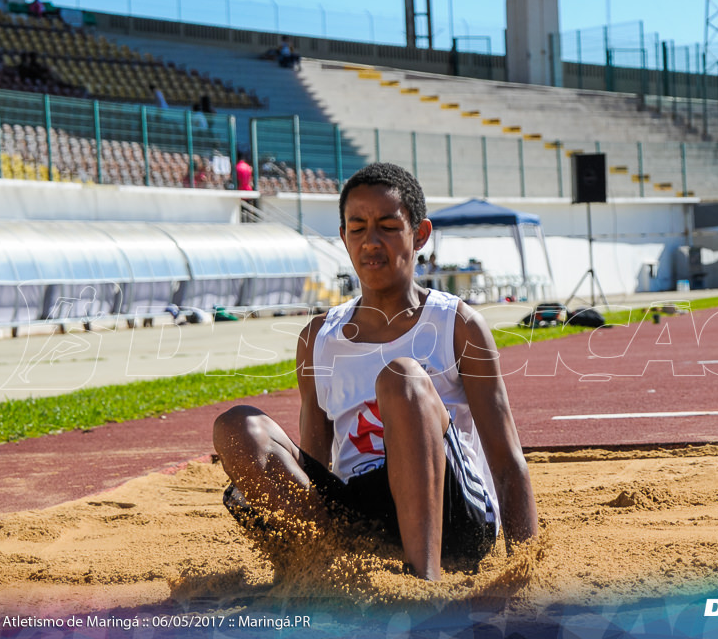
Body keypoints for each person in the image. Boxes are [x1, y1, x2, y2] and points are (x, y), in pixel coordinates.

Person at [212, 162, 538, 580]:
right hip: (362, 517)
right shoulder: (319, 338)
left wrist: (525, 573)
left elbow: (507, 460)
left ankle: (425, 582)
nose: (371, 241)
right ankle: (318, 570)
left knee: (401, 377)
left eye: (387, 225)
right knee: (238, 428)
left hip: (454, 518)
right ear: (344, 237)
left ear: (419, 234)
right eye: (358, 227)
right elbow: (315, 463)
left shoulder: (455, 325)